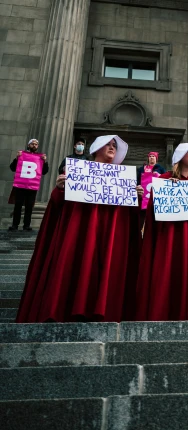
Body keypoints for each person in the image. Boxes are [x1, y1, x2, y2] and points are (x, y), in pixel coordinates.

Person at [16, 135, 143, 323]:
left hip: (110, 237)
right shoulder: (78, 171)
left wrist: (137, 199)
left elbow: (129, 219)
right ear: (96, 149)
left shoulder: (122, 178)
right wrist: (60, 189)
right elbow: (60, 209)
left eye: (114, 145)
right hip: (81, 232)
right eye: (107, 144)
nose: (112, 147)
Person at [136, 142, 188, 320]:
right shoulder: (164, 179)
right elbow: (151, 213)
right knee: (168, 274)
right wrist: (165, 192)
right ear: (179, 156)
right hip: (170, 237)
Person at [8, 139, 49, 232]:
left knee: (29, 206)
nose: (34, 145)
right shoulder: (22, 155)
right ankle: (15, 224)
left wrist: (45, 162)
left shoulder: (40, 158)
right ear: (28, 145)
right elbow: (12, 168)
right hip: (20, 185)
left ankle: (26, 225)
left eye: (36, 144)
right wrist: (16, 158)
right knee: (18, 205)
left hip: (32, 186)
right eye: (32, 144)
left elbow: (44, 171)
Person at [137, 152, 165, 229]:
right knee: (141, 219)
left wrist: (160, 176)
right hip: (143, 197)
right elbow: (137, 180)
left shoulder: (161, 169)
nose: (152, 157)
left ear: (156, 159)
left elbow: (165, 179)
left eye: (153, 156)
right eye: (150, 156)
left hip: (155, 197)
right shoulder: (142, 169)